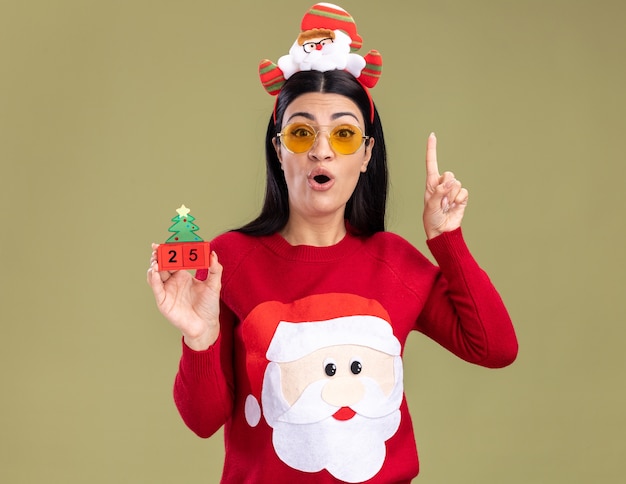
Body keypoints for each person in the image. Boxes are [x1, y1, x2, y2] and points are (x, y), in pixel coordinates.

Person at [147, 3, 518, 483]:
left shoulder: (395, 262)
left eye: (343, 134)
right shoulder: (227, 261)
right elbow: (201, 421)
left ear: (366, 154)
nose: (322, 149)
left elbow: (494, 348)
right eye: (302, 133)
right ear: (279, 149)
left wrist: (446, 240)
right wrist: (198, 339)